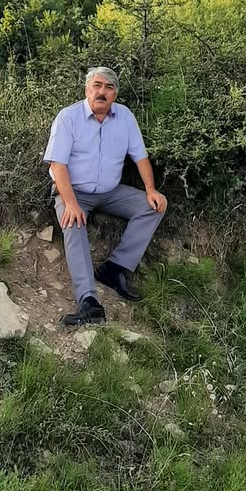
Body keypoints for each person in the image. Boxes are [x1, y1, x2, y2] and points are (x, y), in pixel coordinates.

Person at [43, 66, 167, 326]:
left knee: (153, 206)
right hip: (74, 191)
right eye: (97, 85)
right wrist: (71, 203)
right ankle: (88, 301)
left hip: (110, 192)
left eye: (109, 87)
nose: (102, 92)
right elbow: (57, 165)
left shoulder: (125, 117)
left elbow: (140, 157)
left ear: (115, 94)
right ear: (86, 89)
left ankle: (114, 269)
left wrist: (151, 189)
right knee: (73, 222)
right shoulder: (68, 117)